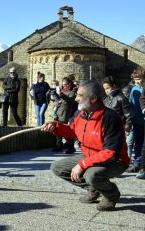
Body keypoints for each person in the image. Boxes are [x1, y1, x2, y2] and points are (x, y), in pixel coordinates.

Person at [43, 80, 130, 211]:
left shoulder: (110, 118)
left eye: (80, 95)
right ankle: (94, 189)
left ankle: (111, 194)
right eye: (77, 95)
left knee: (91, 174)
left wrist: (82, 164)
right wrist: (56, 127)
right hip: (91, 156)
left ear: (94, 98)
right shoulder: (81, 113)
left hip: (116, 161)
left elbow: (110, 153)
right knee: (57, 167)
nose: (76, 98)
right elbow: (73, 130)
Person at [51, 77, 76, 153]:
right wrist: (53, 97)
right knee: (56, 130)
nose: (64, 86)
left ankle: (71, 146)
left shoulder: (72, 92)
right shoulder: (62, 90)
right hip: (57, 112)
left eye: (65, 85)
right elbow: (58, 100)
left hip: (65, 113)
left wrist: (61, 95)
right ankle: (59, 146)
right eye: (63, 84)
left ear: (69, 84)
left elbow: (70, 101)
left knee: (64, 130)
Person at [126, 68, 145, 173]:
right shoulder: (134, 89)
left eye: (139, 78)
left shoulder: (144, 89)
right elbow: (131, 105)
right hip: (137, 121)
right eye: (135, 79)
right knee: (138, 143)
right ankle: (137, 163)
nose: (137, 81)